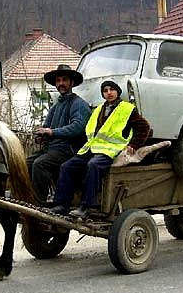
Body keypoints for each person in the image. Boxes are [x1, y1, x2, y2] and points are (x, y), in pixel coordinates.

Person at [50, 80, 150, 219]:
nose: (109, 93)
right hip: (91, 149)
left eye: (112, 89)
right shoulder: (97, 110)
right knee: (67, 166)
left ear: (117, 92)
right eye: (105, 90)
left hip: (110, 151)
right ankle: (61, 204)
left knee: (93, 165)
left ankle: (86, 207)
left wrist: (133, 145)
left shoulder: (127, 109)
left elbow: (144, 127)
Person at [27, 64, 91, 204]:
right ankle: (25, 199)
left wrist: (52, 132)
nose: (61, 83)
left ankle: (38, 205)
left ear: (71, 83)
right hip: (52, 150)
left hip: (69, 150)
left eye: (64, 80)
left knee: (40, 164)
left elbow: (78, 127)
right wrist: (41, 136)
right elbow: (46, 127)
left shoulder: (79, 104)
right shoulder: (56, 106)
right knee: (26, 163)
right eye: (58, 81)